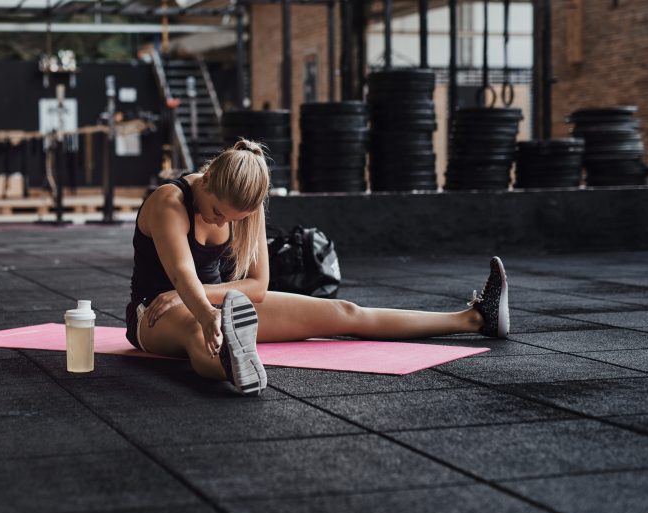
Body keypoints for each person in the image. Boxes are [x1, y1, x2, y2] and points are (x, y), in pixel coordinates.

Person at [125, 139, 509, 396]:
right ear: (207, 178)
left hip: (216, 303)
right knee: (200, 329)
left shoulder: (247, 207)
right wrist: (202, 309)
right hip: (154, 312)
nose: (222, 222)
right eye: (216, 213)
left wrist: (202, 301)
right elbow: (182, 275)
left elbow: (257, 286)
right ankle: (235, 368)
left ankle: (475, 318)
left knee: (345, 312)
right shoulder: (169, 202)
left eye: (232, 218)